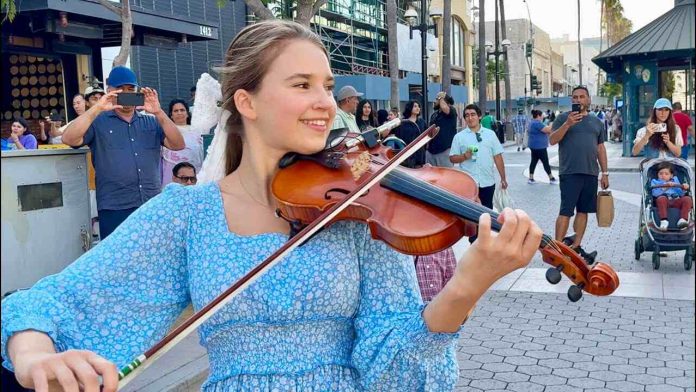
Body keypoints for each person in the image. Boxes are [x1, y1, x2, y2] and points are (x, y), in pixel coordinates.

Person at [1, 20, 543, 392]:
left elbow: (393, 369)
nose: (326, 103)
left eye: (328, 87)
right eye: (303, 84)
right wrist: (34, 357)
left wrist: (468, 284)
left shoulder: (358, 210)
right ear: (247, 101)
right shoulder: (186, 216)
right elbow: (49, 304)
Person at [61, 66, 185, 239]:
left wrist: (158, 111)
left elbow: (178, 144)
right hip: (114, 207)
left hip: (151, 204)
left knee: (152, 260)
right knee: (117, 263)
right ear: (110, 91)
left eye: (131, 89)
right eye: (121, 89)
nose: (127, 93)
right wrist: (97, 108)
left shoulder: (151, 122)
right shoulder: (98, 122)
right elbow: (69, 138)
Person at [549, 86, 609, 262]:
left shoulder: (596, 122)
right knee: (566, 211)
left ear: (588, 100)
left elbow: (600, 148)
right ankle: (557, 249)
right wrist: (567, 124)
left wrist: (605, 173)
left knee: (583, 212)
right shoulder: (562, 118)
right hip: (569, 172)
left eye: (582, 97)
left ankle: (575, 246)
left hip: (591, 173)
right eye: (575, 97)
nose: (578, 100)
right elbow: (552, 140)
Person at [450, 103, 508, 243]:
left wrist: (503, 178)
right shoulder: (459, 137)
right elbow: (452, 157)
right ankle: (474, 243)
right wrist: (464, 157)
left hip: (488, 181)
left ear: (479, 116)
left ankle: (485, 243)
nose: (470, 118)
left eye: (473, 114)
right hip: (470, 184)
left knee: (487, 215)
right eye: (467, 115)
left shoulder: (490, 135)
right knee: (473, 216)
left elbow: (498, 157)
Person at [161, 99, 204, 187]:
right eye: (176, 111)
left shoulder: (197, 131)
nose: (179, 113)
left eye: (182, 110)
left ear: (187, 113)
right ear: (171, 115)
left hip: (194, 172)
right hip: (170, 172)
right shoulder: (165, 131)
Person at [650, 162, 692, 230]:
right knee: (661, 198)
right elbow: (655, 194)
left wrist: (683, 188)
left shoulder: (675, 180)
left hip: (676, 201)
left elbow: (681, 194)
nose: (663, 175)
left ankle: (683, 220)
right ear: (657, 174)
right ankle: (664, 220)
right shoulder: (655, 182)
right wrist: (665, 187)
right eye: (660, 173)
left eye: (666, 174)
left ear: (671, 175)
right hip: (663, 203)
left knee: (687, 199)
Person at [426, 92, 457, 167]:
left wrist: (441, 97)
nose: (435, 101)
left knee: (446, 176)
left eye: (437, 99)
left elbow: (444, 108)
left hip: (444, 151)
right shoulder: (434, 114)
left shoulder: (451, 111)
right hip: (431, 151)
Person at [527, 110, 557, 185]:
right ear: (538, 116)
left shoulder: (532, 122)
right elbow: (548, 130)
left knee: (534, 161)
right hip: (539, 147)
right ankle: (551, 178)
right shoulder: (537, 123)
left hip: (533, 146)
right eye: (542, 115)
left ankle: (531, 178)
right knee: (545, 162)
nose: (543, 116)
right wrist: (552, 123)